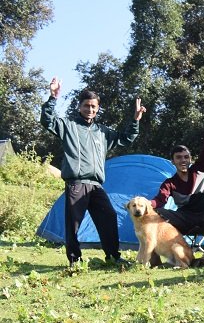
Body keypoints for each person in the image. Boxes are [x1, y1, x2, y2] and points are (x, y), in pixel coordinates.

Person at [40, 77, 146, 267]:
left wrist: (136, 120)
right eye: (87, 106)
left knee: (109, 217)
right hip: (77, 183)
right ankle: (75, 260)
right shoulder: (68, 126)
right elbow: (47, 120)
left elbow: (126, 138)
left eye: (94, 107)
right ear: (80, 106)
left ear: (98, 109)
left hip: (96, 185)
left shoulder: (102, 132)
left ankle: (113, 256)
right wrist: (53, 98)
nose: (90, 109)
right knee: (74, 223)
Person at [151, 99, 204, 267]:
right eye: (179, 158)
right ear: (173, 161)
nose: (183, 160)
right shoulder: (170, 183)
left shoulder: (200, 169)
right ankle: (155, 258)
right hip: (185, 219)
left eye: (186, 157)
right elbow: (160, 200)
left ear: (191, 159)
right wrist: (146, 205)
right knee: (156, 212)